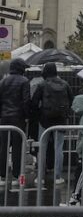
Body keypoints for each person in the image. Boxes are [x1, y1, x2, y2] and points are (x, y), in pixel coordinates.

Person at [31, 62, 73, 185]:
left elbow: (34, 103)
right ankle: (57, 177)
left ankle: (40, 177)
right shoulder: (65, 84)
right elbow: (72, 100)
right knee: (58, 148)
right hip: (60, 120)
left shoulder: (42, 85)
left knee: (42, 148)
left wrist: (40, 113)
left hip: (45, 121)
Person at [0, 58, 30, 187]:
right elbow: (26, 101)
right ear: (21, 68)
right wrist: (28, 116)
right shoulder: (24, 81)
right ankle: (16, 176)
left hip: (4, 118)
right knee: (17, 148)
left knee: (3, 147)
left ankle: (2, 176)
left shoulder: (3, 81)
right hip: (18, 119)